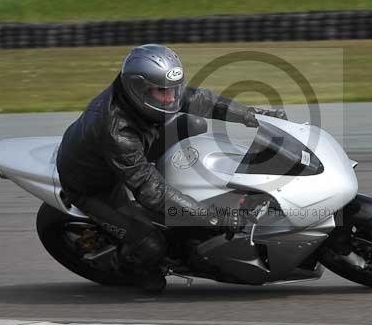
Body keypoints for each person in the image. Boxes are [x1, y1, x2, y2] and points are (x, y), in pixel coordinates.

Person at [56, 44, 286, 290]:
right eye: (162, 92)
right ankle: (137, 271)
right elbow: (150, 191)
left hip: (134, 150)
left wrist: (252, 116)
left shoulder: (149, 96)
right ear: (138, 89)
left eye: (173, 90)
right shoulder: (116, 131)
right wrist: (213, 217)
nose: (171, 98)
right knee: (151, 246)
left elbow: (201, 100)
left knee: (194, 124)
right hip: (94, 185)